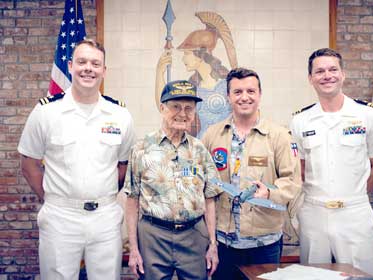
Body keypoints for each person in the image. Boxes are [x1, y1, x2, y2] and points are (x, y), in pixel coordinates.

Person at [18, 39, 136, 279]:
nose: (88, 68)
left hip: (104, 217)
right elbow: (29, 163)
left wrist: (104, 192)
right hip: (60, 216)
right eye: (82, 62)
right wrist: (53, 198)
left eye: (95, 63)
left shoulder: (120, 114)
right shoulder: (46, 112)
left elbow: (124, 165)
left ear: (104, 71)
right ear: (70, 65)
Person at [289, 48, 373, 278]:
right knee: (313, 275)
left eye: (332, 69)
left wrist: (355, 195)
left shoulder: (369, 115)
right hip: (314, 213)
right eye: (319, 71)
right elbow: (301, 169)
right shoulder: (299, 120)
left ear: (343, 74)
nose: (327, 75)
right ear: (310, 79)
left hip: (354, 212)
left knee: (362, 275)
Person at [201, 67, 302, 279]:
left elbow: (292, 181)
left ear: (260, 95)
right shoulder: (212, 134)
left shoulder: (279, 135)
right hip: (223, 240)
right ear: (228, 96)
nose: (244, 97)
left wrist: (270, 193)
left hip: (264, 241)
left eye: (250, 91)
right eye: (237, 92)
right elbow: (203, 182)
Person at [124, 80, 222, 280]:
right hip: (153, 235)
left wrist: (213, 244)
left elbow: (210, 199)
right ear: (162, 108)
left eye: (189, 108)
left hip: (194, 234)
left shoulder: (200, 149)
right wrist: (134, 248)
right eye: (176, 106)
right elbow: (132, 200)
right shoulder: (141, 148)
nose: (183, 113)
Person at [155, 11, 238, 138]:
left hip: (226, 148)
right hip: (200, 149)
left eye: (186, 54)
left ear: (200, 55)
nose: (183, 59)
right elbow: (165, 105)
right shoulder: (193, 89)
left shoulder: (228, 85)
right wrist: (159, 73)